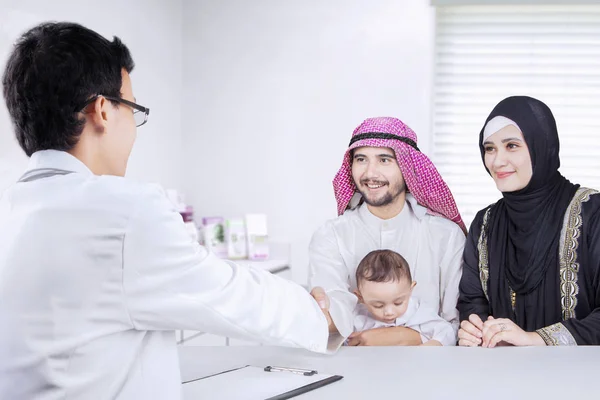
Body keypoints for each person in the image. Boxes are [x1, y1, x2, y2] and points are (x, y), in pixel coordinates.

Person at [0, 22, 333, 399]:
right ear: (102, 111)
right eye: (133, 110)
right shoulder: (122, 211)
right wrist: (318, 315)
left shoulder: (10, 209)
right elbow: (225, 295)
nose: (135, 130)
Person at [309, 116, 466, 346]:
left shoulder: (446, 236)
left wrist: (398, 336)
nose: (371, 172)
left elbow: (457, 325)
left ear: (407, 167)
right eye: (361, 159)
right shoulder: (330, 236)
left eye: (384, 159)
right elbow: (333, 320)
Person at [457, 96, 600, 347]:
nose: (497, 161)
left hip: (581, 379)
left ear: (541, 146)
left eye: (511, 145)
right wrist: (476, 330)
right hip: (502, 377)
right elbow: (472, 302)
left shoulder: (592, 213)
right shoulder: (485, 224)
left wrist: (534, 339)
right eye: (489, 148)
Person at [349, 250, 455, 346]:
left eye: (398, 303)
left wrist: (433, 345)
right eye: (378, 305)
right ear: (360, 297)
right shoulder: (357, 318)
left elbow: (446, 331)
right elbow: (342, 343)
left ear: (410, 290)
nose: (389, 312)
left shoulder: (417, 311)